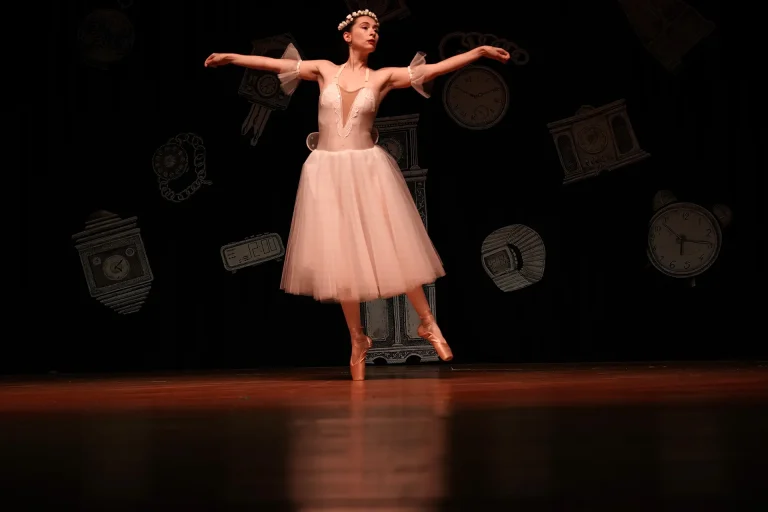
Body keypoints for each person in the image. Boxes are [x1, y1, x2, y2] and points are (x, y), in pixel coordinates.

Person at [205, 9, 510, 380]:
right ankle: (358, 339)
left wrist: (478, 52)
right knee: (341, 257)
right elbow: (275, 64)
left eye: (377, 29)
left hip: (367, 170)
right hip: (326, 172)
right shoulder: (324, 70)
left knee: (393, 245)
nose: (373, 32)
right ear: (347, 36)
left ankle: (427, 323)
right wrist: (232, 57)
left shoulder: (382, 77)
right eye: (365, 27)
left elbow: (433, 70)